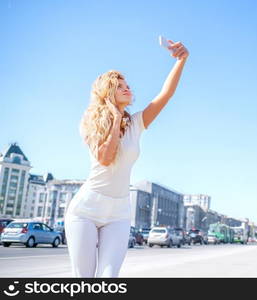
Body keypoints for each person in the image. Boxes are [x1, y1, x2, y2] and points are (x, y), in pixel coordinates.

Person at [64, 39, 189, 277]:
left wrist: (182, 60)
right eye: (120, 85)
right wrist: (113, 118)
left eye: (127, 84)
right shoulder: (89, 123)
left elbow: (166, 94)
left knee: (109, 280)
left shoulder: (136, 124)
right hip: (86, 209)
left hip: (120, 212)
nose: (127, 88)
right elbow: (105, 158)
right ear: (107, 92)